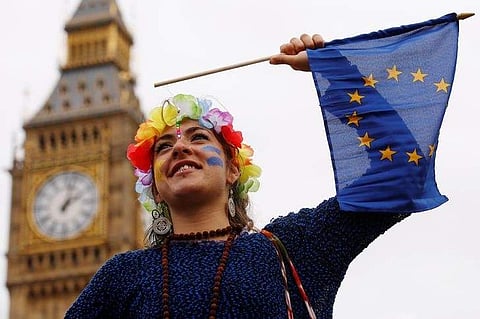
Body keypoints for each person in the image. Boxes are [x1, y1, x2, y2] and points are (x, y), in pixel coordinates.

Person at [65, 34, 409, 319]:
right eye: (164, 146)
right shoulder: (122, 277)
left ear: (233, 168)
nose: (180, 147)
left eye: (199, 138)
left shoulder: (292, 248)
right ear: (154, 187)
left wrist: (338, 75)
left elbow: (401, 172)